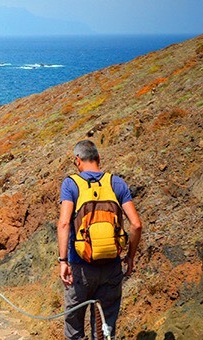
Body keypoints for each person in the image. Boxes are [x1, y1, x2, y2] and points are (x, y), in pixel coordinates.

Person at [58, 140, 143, 339]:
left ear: (77, 161)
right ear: (98, 158)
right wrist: (130, 257)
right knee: (105, 329)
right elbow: (136, 225)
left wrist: (63, 261)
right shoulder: (116, 183)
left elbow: (63, 224)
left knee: (74, 328)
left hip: (80, 267)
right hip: (111, 267)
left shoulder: (71, 184)